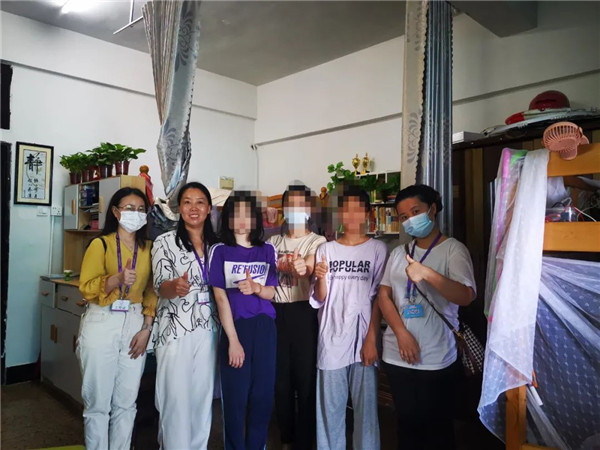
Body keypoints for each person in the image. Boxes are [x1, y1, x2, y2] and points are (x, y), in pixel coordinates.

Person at [377, 184, 476, 450]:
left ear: (432, 210)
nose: (410, 219)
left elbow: (466, 296)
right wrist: (401, 334)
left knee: (437, 429)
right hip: (396, 354)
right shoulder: (399, 253)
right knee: (407, 426)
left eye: (415, 211)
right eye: (403, 216)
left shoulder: (454, 250)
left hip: (435, 357)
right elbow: (384, 296)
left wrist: (427, 274)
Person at [77, 187, 156, 450]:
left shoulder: (149, 248)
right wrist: (116, 279)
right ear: (115, 211)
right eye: (129, 208)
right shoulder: (101, 244)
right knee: (98, 403)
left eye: (141, 209)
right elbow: (87, 287)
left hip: (135, 322)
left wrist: (147, 329)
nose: (136, 213)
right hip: (102, 319)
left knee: (127, 402)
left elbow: (151, 291)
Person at [310, 184, 387, 450]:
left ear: (367, 213)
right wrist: (321, 278)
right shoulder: (326, 250)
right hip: (331, 339)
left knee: (366, 413)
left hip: (363, 338)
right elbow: (320, 298)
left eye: (358, 209)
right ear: (339, 214)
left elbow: (379, 298)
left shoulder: (378, 249)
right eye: (346, 210)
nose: (352, 215)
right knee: (330, 412)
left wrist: (371, 339)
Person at [151, 181, 220, 449]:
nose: (194, 208)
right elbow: (160, 286)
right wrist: (174, 286)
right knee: (175, 399)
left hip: (209, 328)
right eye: (187, 202)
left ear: (209, 208)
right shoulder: (165, 242)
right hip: (175, 329)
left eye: (200, 202)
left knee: (202, 398)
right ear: (179, 208)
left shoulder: (217, 245)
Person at [208, 191, 278, 450]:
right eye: (235, 214)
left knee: (262, 397)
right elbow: (220, 298)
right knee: (235, 399)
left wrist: (256, 288)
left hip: (265, 328)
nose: (241, 220)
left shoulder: (267, 250)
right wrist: (233, 340)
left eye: (247, 214)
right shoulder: (219, 251)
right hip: (235, 328)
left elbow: (271, 293)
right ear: (227, 218)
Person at [267, 183, 326, 450]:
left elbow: (310, 266)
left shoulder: (317, 241)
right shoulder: (273, 243)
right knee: (281, 382)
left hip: (304, 314)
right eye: (290, 204)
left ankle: (304, 440)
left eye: (301, 204)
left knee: (305, 380)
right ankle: (287, 439)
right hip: (276, 314)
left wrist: (302, 267)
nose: (295, 209)